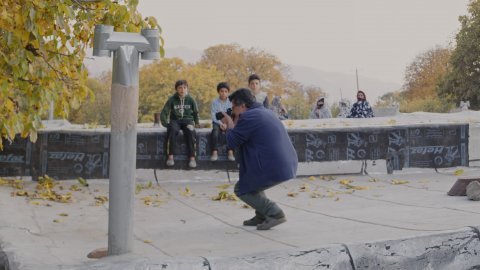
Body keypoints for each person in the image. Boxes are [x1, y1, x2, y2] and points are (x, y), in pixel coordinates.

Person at [221, 88, 298, 230]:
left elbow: (231, 142)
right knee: (252, 184)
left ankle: (275, 213)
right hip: (286, 163)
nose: (233, 111)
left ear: (242, 106)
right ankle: (262, 214)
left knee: (241, 189)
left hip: (273, 166)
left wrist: (230, 124)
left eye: (234, 108)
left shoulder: (248, 117)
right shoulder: (266, 112)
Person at [160, 80, 199, 168]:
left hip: (188, 120)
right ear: (176, 89)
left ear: (187, 88)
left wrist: (196, 123)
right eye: (180, 88)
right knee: (172, 131)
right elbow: (164, 112)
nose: (182, 90)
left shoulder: (191, 99)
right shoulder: (172, 99)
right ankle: (170, 156)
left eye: (184, 87)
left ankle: (192, 158)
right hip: (175, 120)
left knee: (190, 132)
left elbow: (196, 112)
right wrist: (166, 124)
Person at [209, 82, 235, 162]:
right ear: (218, 92)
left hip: (228, 122)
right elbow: (213, 115)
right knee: (215, 131)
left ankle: (230, 151)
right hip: (217, 122)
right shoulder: (214, 102)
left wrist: (227, 124)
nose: (223, 93)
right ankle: (214, 152)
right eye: (221, 91)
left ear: (228, 92)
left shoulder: (231, 102)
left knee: (230, 132)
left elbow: (232, 114)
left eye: (225, 91)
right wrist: (220, 123)